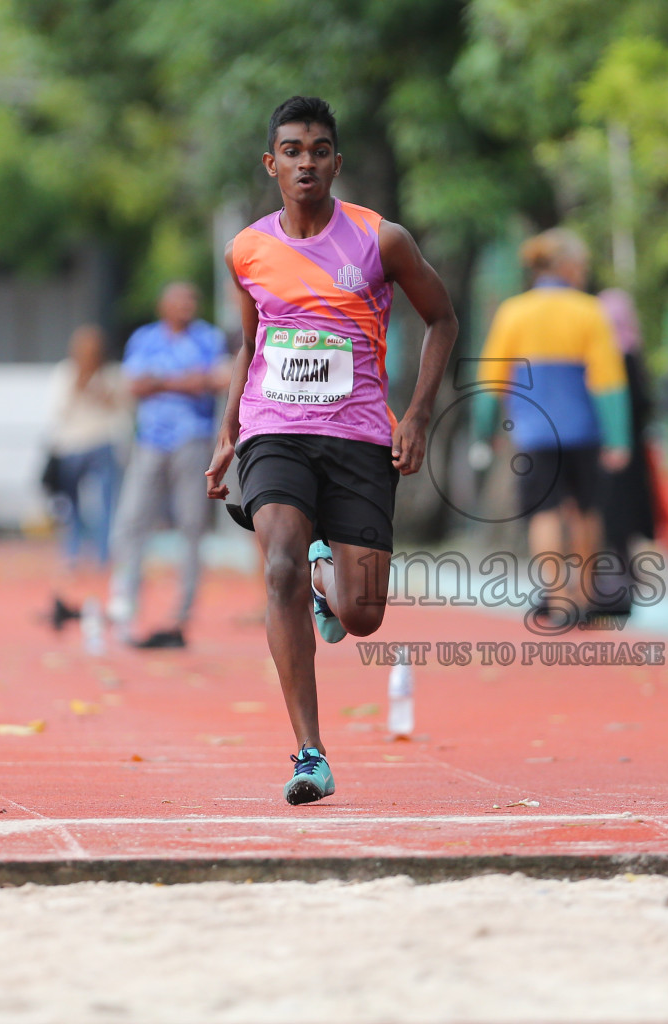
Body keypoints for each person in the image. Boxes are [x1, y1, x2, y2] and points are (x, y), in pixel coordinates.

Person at [205, 96, 457, 804]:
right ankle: (309, 752)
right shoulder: (248, 248)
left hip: (358, 436)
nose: (305, 161)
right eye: (292, 150)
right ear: (271, 164)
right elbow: (250, 344)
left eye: (319, 149)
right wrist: (229, 433)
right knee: (277, 562)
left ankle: (329, 581)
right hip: (273, 430)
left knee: (364, 615)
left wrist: (419, 416)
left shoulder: (382, 241)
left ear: (337, 162)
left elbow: (441, 318)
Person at [473, 229, 630, 627]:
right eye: (581, 265)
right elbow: (608, 380)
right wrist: (618, 438)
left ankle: (557, 600)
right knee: (586, 510)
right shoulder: (589, 311)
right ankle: (585, 594)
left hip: (533, 432)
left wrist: (483, 429)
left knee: (543, 511)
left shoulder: (514, 312)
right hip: (583, 430)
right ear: (567, 266)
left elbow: (492, 378)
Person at [108, 282, 231, 649]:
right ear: (163, 305)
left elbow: (219, 379)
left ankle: (182, 612)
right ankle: (126, 602)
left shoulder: (208, 337)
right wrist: (185, 382)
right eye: (180, 300)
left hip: (192, 440)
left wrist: (161, 382)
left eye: (192, 300)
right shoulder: (144, 338)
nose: (187, 306)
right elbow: (133, 385)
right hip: (150, 441)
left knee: (192, 525)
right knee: (132, 521)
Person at [44, 324, 130, 628]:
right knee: (70, 504)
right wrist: (78, 385)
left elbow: (121, 408)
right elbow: (58, 411)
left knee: (106, 501)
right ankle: (73, 550)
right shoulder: (65, 374)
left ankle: (103, 554)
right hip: (71, 445)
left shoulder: (111, 375)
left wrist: (97, 390)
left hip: (102, 443)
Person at [593, 287, 656, 617]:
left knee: (610, 514)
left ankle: (613, 579)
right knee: (624, 516)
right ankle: (626, 576)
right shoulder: (633, 353)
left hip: (607, 448)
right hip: (631, 448)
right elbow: (646, 403)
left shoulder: (604, 355)